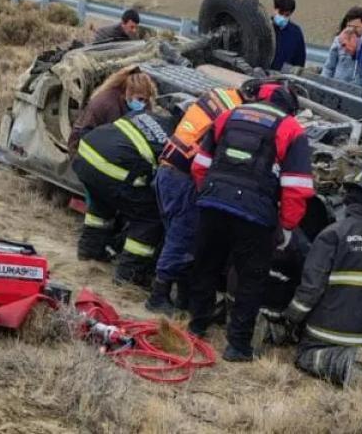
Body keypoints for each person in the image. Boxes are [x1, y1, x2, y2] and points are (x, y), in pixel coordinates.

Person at [188, 82, 315, 362]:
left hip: (213, 202)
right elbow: (297, 187)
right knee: (251, 278)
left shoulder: (228, 115)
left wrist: (208, 193)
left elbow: (200, 164)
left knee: (206, 264)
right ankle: (237, 345)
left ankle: (196, 326)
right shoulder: (291, 129)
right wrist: (287, 226)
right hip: (254, 214)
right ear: (290, 107)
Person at [283, 167, 362, 392]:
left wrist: (290, 319)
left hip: (326, 333)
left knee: (304, 356)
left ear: (350, 197)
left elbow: (311, 289)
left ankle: (346, 361)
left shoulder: (333, 234)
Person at [145, 86, 244, 314]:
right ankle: (158, 297)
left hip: (169, 169)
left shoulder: (221, 95)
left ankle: (180, 297)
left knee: (177, 236)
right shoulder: (236, 113)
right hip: (184, 177)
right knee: (182, 237)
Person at [73, 111, 174, 287]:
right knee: (149, 219)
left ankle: (89, 250)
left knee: (101, 202)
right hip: (112, 168)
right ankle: (128, 276)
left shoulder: (147, 115)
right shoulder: (176, 140)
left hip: (85, 154)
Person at [67, 65, 158, 150]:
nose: (142, 103)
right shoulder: (105, 104)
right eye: (140, 99)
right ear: (128, 93)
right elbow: (85, 133)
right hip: (84, 143)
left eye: (146, 100)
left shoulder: (144, 103)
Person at [320, 7, 362, 84]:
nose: (351, 30)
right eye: (349, 26)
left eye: (356, 27)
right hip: (339, 87)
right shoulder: (339, 40)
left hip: (361, 89)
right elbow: (329, 67)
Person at [270, 0, 307, 72]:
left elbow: (299, 60)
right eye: (280, 13)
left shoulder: (296, 33)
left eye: (286, 15)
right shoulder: (265, 29)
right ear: (274, 10)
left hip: (283, 78)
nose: (283, 17)